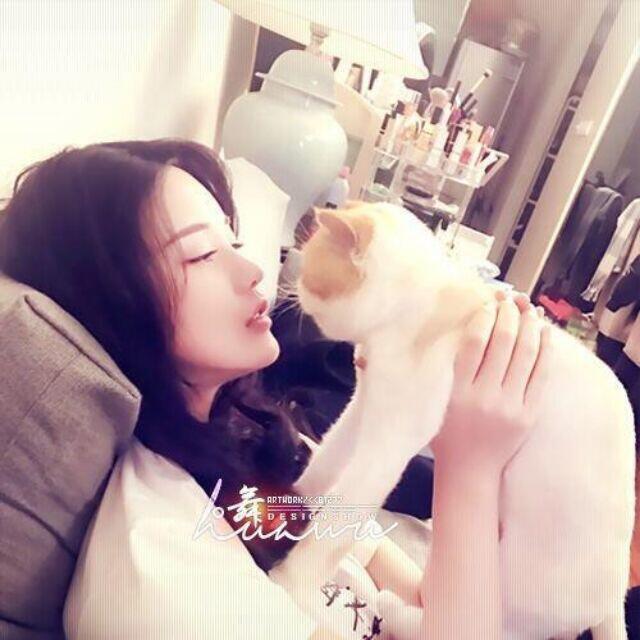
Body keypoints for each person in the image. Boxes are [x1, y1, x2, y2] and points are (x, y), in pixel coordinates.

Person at [0, 139, 550, 639]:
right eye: (202, 253)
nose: (253, 270)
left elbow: (420, 592)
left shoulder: (248, 446)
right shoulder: (163, 564)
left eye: (234, 240)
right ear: (114, 300)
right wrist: (470, 470)